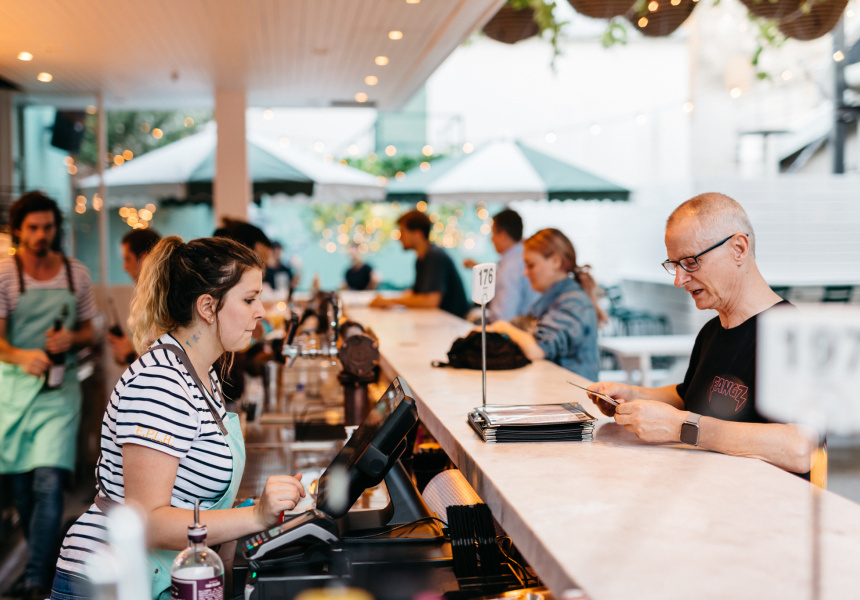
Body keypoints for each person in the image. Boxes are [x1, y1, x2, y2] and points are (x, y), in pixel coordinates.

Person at [53, 236, 306, 600]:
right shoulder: (161, 382)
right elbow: (148, 521)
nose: (261, 311)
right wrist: (255, 517)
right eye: (250, 299)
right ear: (207, 307)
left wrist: (246, 513)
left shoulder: (202, 373)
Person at [588, 192, 813, 474]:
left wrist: (680, 426)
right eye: (675, 265)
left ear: (739, 248)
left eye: (691, 262)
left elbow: (800, 447)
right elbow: (691, 396)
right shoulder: (711, 331)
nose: (679, 279)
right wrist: (634, 394)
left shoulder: (792, 335)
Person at [0, 191, 97, 599]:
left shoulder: (76, 274)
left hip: (59, 391)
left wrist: (71, 338)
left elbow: (90, 330)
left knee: (48, 481)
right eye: (33, 228)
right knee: (23, 488)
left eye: (48, 227)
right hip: (14, 391)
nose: (42, 235)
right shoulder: (5, 274)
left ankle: (37, 577)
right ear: (18, 230)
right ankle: (39, 563)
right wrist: (23, 356)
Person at [483, 228, 604, 381]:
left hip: (574, 393)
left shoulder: (574, 302)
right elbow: (523, 326)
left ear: (555, 262)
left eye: (531, 265)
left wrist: (502, 326)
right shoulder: (552, 298)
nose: (525, 273)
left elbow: (537, 349)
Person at [370, 210, 470, 318]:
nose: (399, 238)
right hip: (438, 319)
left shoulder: (435, 256)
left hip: (453, 322)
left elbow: (431, 301)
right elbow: (416, 294)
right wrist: (388, 300)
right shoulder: (422, 258)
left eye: (402, 231)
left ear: (418, 234)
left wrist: (388, 301)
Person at [463, 208, 538, 322]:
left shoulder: (511, 267)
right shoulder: (520, 256)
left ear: (503, 236)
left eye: (493, 233)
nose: (491, 239)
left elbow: (503, 318)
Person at [107, 228, 161, 365]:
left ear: (144, 259)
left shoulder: (162, 302)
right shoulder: (145, 297)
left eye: (128, 259)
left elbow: (161, 363)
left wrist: (130, 355)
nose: (124, 267)